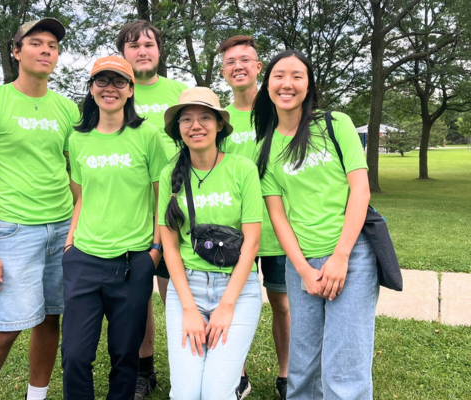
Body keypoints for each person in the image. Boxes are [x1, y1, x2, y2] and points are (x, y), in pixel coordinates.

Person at [0, 18, 80, 400]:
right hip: (14, 231)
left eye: (53, 45)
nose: (46, 50)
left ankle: (37, 396)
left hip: (61, 229)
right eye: (36, 43)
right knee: (6, 327)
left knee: (50, 320)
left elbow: (76, 174)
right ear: (16, 52)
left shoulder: (66, 109)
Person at [252, 50, 378, 399]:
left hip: (353, 257)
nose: (287, 83)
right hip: (302, 263)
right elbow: (277, 215)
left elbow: (360, 189)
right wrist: (304, 269)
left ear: (308, 85)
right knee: (303, 365)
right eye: (278, 76)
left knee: (345, 365)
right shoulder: (265, 147)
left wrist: (340, 257)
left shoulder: (335, 124)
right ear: (267, 84)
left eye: (297, 76)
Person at [60, 55, 168, 400]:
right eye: (102, 81)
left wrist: (153, 252)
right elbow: (80, 197)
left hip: (132, 261)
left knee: (125, 356)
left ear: (131, 89)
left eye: (119, 81)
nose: (110, 88)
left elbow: (161, 199)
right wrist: (69, 244)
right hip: (84, 259)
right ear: (91, 89)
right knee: (75, 355)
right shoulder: (78, 140)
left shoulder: (147, 135)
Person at [159, 87, 263, 399]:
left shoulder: (241, 169)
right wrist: (188, 308)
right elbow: (170, 246)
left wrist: (227, 305)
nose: (196, 125)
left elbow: (253, 242)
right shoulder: (169, 175)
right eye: (186, 119)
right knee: (186, 395)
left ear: (219, 125)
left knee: (216, 394)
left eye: (205, 117)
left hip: (237, 291)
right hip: (186, 292)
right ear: (179, 128)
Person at [116, 20, 188, 398]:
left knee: (174, 290)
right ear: (123, 53)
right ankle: (145, 369)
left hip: (181, 204)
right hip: (134, 209)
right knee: (139, 292)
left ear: (159, 50)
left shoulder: (180, 92)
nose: (142, 51)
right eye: (133, 46)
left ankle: (185, 366)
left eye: (149, 44)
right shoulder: (117, 93)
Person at [218, 35, 290, 400]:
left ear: (259, 67)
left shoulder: (280, 111)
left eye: (245, 60)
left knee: (282, 303)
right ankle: (238, 374)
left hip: (280, 230)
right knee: (232, 301)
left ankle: (286, 374)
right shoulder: (219, 120)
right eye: (231, 62)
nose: (238, 66)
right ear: (223, 71)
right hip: (234, 233)